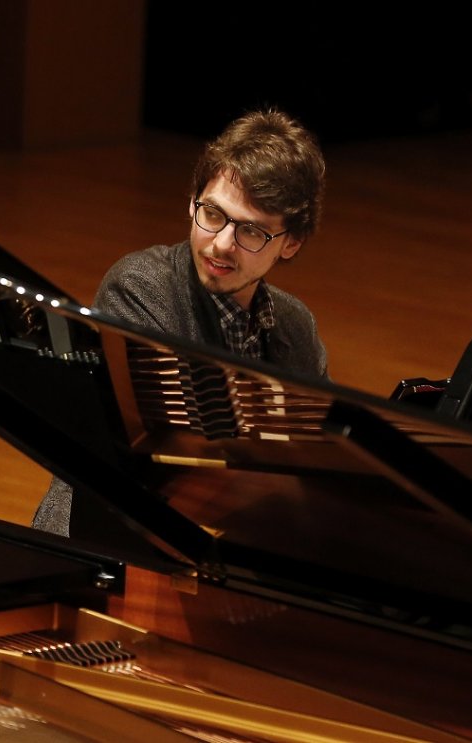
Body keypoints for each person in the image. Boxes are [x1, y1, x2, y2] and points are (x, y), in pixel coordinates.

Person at [31, 107, 328, 536]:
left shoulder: (296, 328)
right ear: (192, 202)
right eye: (212, 214)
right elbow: (171, 458)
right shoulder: (139, 287)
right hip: (110, 539)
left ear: (291, 243)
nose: (222, 245)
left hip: (226, 546)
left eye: (251, 232)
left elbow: (310, 471)